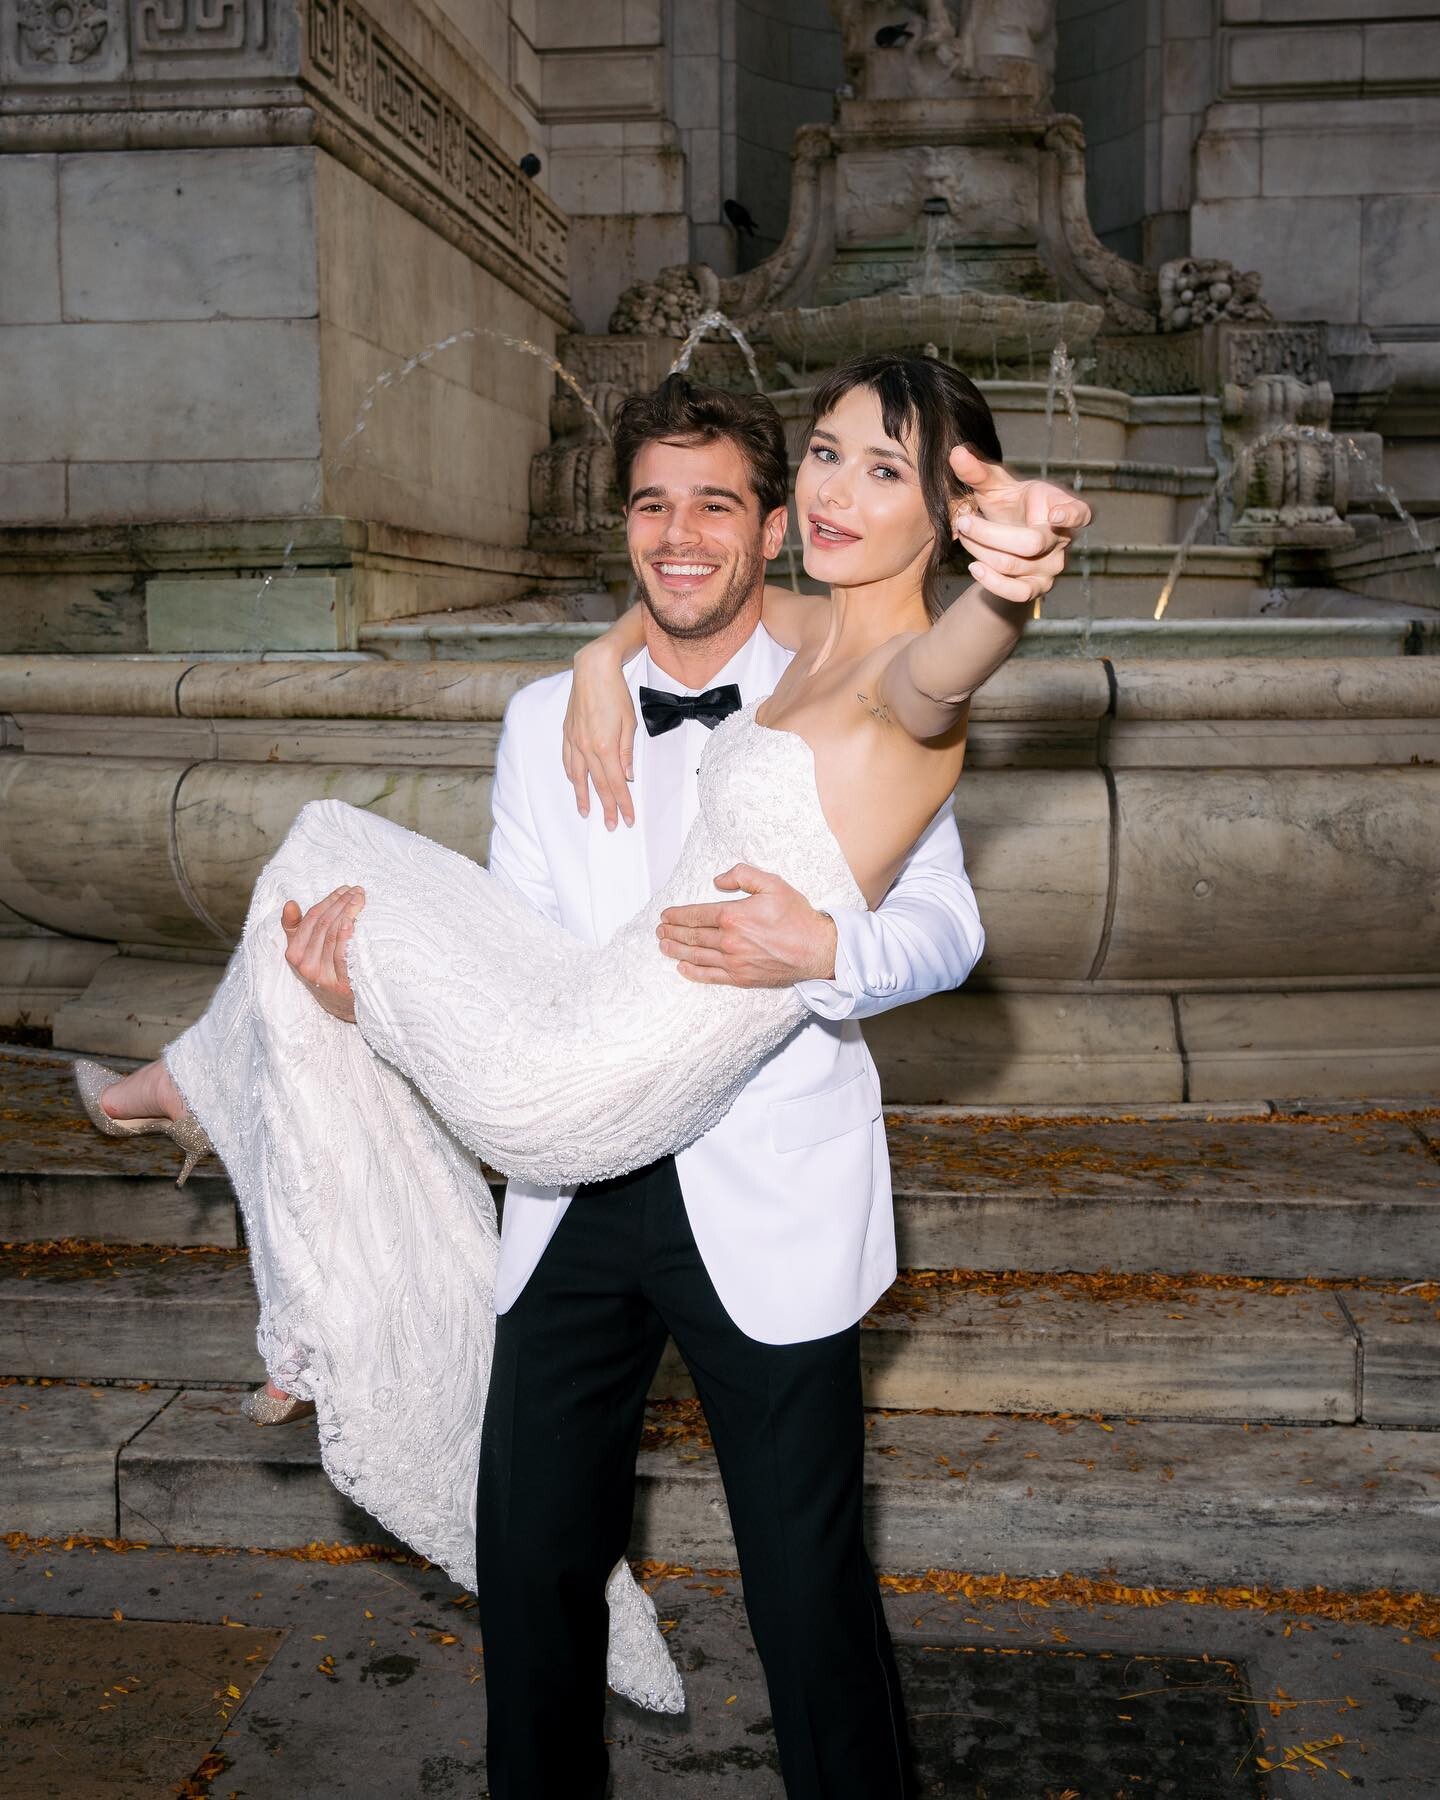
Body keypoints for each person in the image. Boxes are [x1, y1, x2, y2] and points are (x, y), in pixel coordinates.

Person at [74, 354, 1089, 1793]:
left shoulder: (892, 670)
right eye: (827, 453)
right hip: (576, 1161)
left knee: (806, 1589)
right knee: (532, 1560)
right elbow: (515, 929)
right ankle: (230, 1096)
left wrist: (1012, 589)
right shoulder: (622, 689)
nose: (829, 490)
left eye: (880, 469)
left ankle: (219, 1116)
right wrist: (605, 664)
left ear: (790, 525)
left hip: (758, 1183)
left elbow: (950, 721)